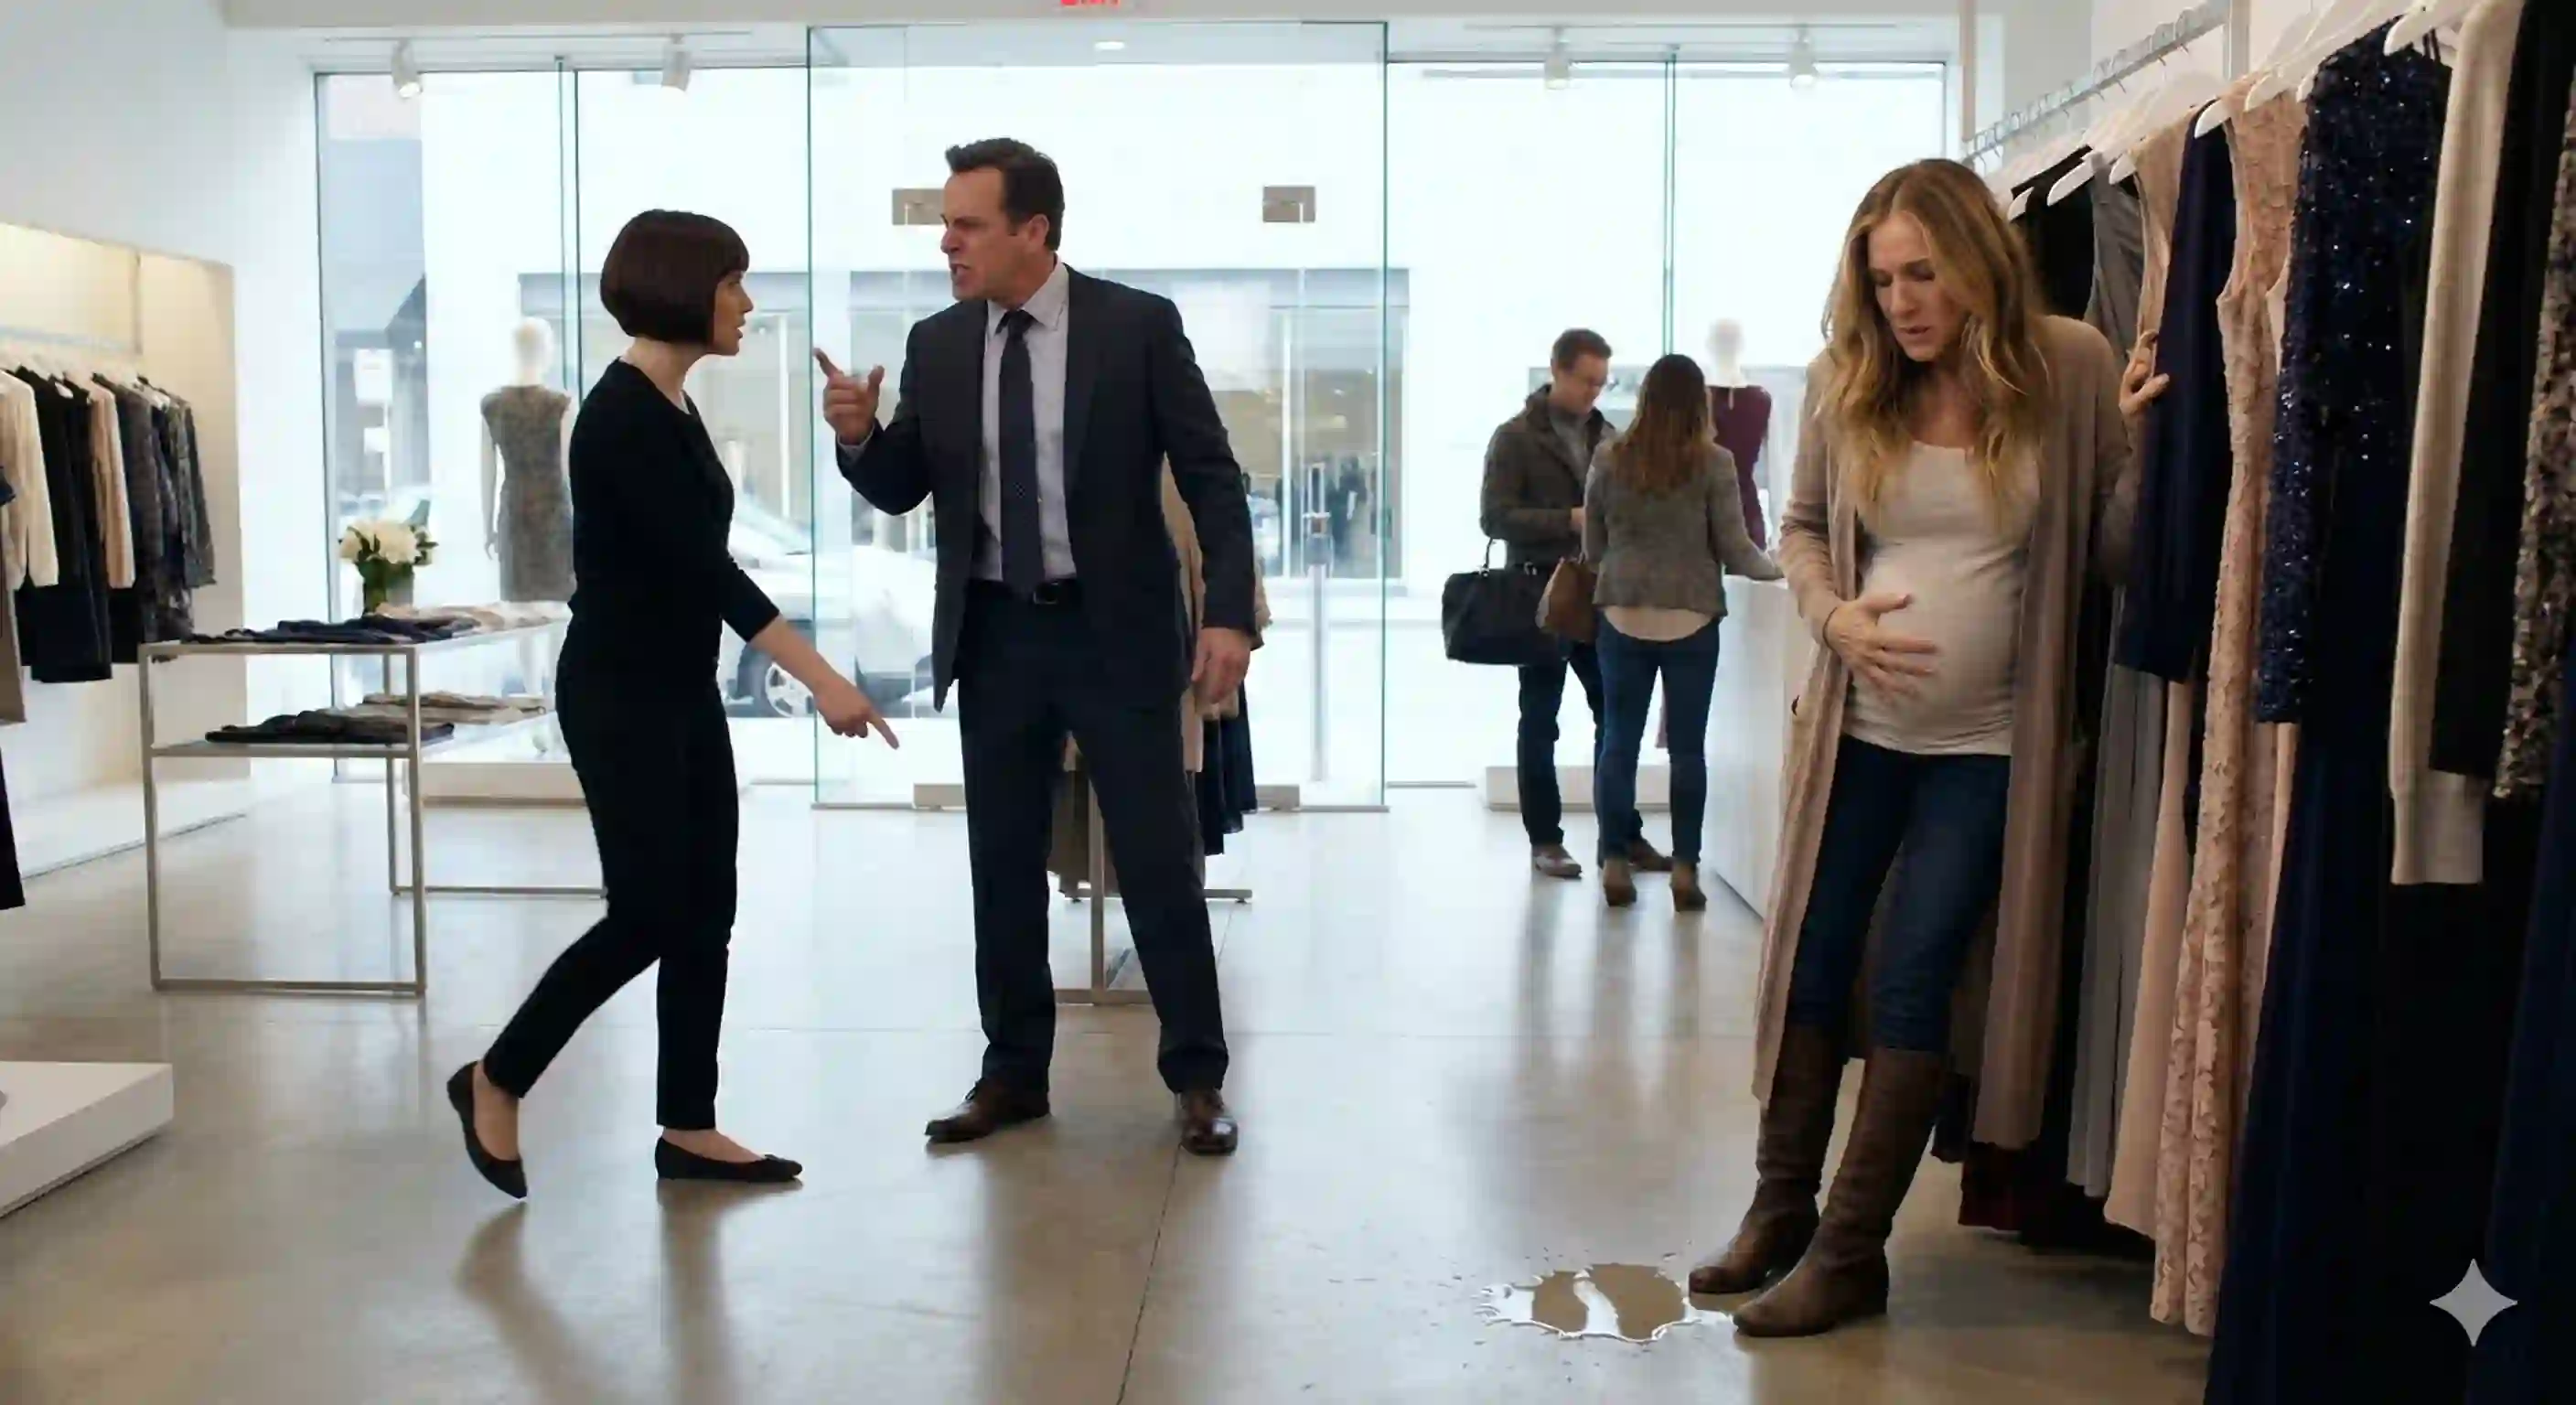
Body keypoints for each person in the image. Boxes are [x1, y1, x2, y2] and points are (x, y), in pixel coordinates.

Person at [1690, 158, 2167, 1335]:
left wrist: (2140, 452)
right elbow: (1799, 529)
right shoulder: (1843, 380)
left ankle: (1852, 1252)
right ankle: (1780, 1210)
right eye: (1881, 278)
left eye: (1922, 273)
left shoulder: (2065, 366)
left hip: (1991, 745)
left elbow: (2110, 562)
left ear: (1976, 265)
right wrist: (1832, 616)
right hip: (1856, 732)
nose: (1901, 302)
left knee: (1913, 975)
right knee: (1812, 961)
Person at [448, 210, 898, 1199]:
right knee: (648, 912)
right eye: (733, 282)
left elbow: (703, 574)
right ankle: (496, 1075)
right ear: (682, 286)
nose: (745, 304)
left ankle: (688, 1125)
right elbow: (710, 575)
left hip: (677, 687)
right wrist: (823, 682)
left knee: (707, 915)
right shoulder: (618, 417)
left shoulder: (671, 405)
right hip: (618, 693)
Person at [819, 138, 1255, 1157]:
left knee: (1157, 863)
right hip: (997, 633)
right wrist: (856, 436)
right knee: (1001, 865)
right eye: (945, 223)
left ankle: (1196, 1078)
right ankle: (1012, 1074)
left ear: (1033, 231)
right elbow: (902, 485)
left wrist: (1227, 615)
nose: (946, 242)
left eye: (966, 224)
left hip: (1120, 635)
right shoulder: (936, 343)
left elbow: (1211, 476)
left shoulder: (1135, 327)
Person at [1583, 353, 1782, 911]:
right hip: (1691, 617)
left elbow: (1594, 547)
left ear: (1645, 397)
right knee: (1688, 751)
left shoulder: (1610, 456)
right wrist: (1782, 568)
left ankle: (1616, 860)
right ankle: (1684, 871)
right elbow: (1736, 549)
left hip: (1622, 612)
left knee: (1618, 743)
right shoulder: (1714, 462)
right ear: (1701, 402)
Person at [1481, 329, 1668, 882]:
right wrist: (1569, 518)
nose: (1593, 392)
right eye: (1585, 380)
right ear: (1556, 371)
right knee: (1540, 720)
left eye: (1600, 383)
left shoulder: (1609, 435)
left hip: (1597, 594)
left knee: (1613, 716)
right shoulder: (1514, 438)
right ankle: (1546, 840)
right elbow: (1494, 518)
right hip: (1539, 593)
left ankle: (1623, 833)